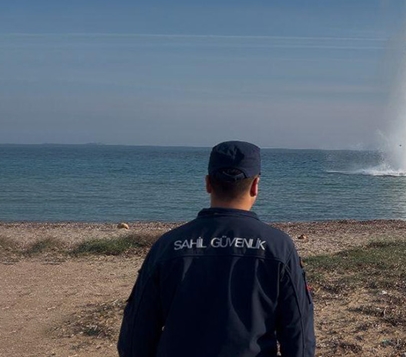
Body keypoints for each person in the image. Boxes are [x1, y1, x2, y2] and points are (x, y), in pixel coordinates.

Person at [118, 141, 315, 357]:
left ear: (208, 184)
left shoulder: (168, 245)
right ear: (255, 185)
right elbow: (298, 336)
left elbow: (135, 336)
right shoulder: (278, 247)